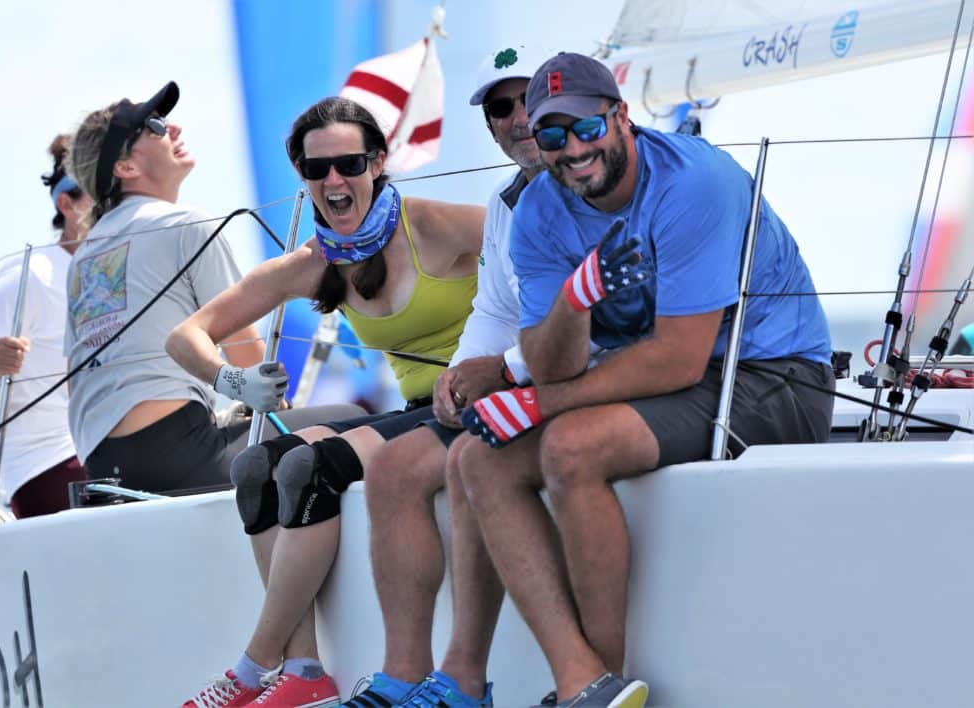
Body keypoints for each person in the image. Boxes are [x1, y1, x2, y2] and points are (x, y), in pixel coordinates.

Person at [455, 52, 834, 707]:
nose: (571, 149)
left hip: (776, 374)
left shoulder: (694, 183)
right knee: (477, 459)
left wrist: (541, 404)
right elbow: (551, 361)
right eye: (551, 136)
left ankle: (599, 684)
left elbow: (678, 360)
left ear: (621, 116)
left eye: (586, 127)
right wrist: (574, 303)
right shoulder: (539, 209)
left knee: (571, 447)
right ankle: (586, 684)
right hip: (671, 382)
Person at [165, 96, 483, 707]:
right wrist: (232, 383)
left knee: (313, 466)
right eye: (317, 171)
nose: (334, 180)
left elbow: (546, 249)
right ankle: (305, 671)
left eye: (349, 164)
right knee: (255, 467)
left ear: (378, 162)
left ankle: (254, 664)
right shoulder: (318, 262)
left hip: (472, 402)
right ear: (305, 180)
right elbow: (186, 336)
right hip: (417, 411)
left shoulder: (435, 224)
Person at [339, 45, 551, 708]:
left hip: (571, 383)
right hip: (519, 383)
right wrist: (463, 374)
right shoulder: (507, 202)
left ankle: (466, 682)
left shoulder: (603, 182)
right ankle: (405, 674)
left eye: (529, 98)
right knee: (393, 469)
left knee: (471, 456)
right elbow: (495, 308)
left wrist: (499, 369)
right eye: (499, 108)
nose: (518, 118)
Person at [64, 82, 352, 495]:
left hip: (104, 467)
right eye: (155, 127)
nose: (173, 129)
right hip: (180, 453)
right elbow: (246, 350)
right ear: (125, 168)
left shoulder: (83, 257)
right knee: (351, 421)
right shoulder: (184, 224)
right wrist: (283, 415)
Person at [0, 135, 90, 519]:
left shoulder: (120, 273)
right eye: (100, 195)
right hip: (47, 467)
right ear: (67, 205)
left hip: (100, 450)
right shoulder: (34, 276)